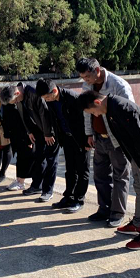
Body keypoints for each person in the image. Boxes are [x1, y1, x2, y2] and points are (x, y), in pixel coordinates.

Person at [79, 90, 140, 250]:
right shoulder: (110, 108)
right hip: (137, 155)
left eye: (93, 112)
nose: (95, 116)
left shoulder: (122, 107)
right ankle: (138, 224)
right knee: (139, 189)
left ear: (97, 103)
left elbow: (139, 135)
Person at [76, 57, 134, 228]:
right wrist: (88, 133)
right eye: (83, 77)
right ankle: (104, 209)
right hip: (98, 138)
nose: (85, 81)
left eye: (87, 77)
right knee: (100, 175)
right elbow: (87, 112)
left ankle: (117, 213)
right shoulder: (87, 86)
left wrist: (126, 139)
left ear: (97, 71)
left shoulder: (119, 85)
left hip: (117, 139)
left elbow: (130, 113)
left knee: (120, 176)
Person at [36, 79, 90, 213]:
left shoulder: (73, 98)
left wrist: (87, 139)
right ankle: (68, 197)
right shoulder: (51, 101)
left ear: (54, 91)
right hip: (66, 138)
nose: (46, 100)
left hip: (80, 139)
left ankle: (79, 200)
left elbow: (85, 118)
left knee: (82, 170)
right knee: (70, 169)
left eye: (47, 97)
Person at [0, 83, 57, 203]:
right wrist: (29, 131)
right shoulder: (20, 97)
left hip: (50, 131)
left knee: (50, 160)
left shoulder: (34, 93)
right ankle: (37, 186)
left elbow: (45, 114)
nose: (16, 103)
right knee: (38, 158)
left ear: (17, 93)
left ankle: (48, 191)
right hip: (37, 130)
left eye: (15, 101)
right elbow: (22, 115)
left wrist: (48, 133)